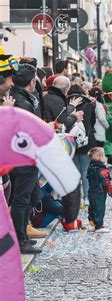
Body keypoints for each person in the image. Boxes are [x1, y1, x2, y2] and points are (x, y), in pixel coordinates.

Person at [9, 64, 42, 253]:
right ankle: (20, 240)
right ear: (31, 81)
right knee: (22, 198)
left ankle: (22, 234)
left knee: (32, 196)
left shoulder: (25, 98)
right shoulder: (23, 102)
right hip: (24, 157)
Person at [68, 84, 97, 207]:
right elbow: (92, 123)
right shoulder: (88, 105)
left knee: (74, 171)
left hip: (71, 141)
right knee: (85, 170)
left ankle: (77, 199)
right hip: (86, 141)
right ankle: (86, 198)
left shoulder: (67, 104)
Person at [86, 147, 112, 233]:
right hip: (99, 193)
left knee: (92, 207)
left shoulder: (90, 167)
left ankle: (92, 223)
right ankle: (99, 226)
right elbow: (106, 182)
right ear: (101, 157)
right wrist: (111, 192)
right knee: (99, 209)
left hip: (91, 192)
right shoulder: (102, 170)